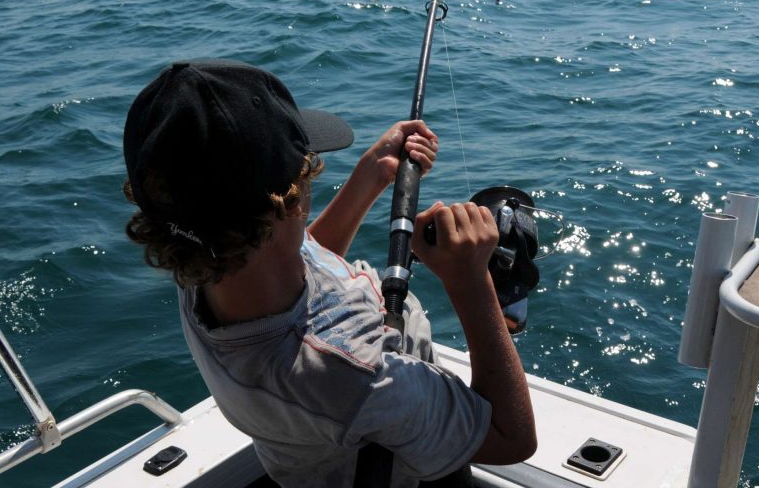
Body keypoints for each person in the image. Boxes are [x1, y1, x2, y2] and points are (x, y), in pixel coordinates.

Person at [122, 59, 535, 487]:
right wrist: (469, 282)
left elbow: (297, 259)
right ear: (288, 203)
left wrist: (372, 175)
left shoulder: (202, 259)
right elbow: (512, 439)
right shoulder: (353, 377)